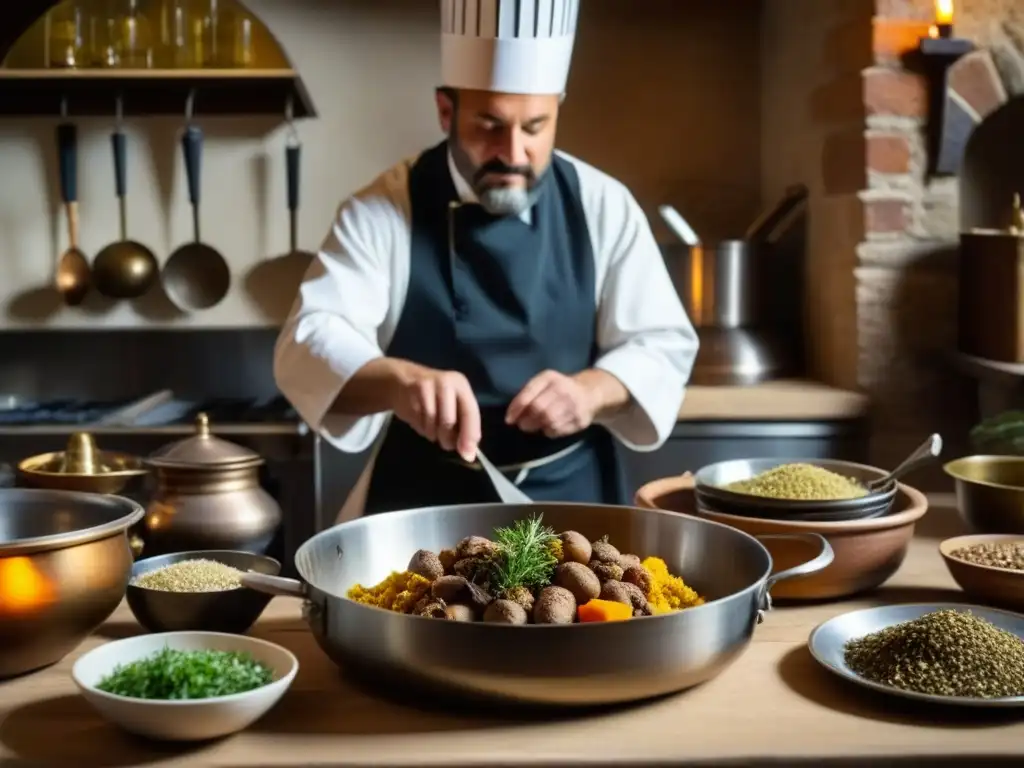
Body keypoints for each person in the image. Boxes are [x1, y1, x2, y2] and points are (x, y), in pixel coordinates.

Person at [274, 0, 698, 520]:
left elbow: (661, 343)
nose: (513, 152)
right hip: (421, 502)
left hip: (574, 494)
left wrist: (590, 392)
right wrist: (401, 383)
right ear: (446, 111)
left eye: (535, 127)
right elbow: (309, 336)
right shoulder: (384, 208)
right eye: (490, 125)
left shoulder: (603, 204)